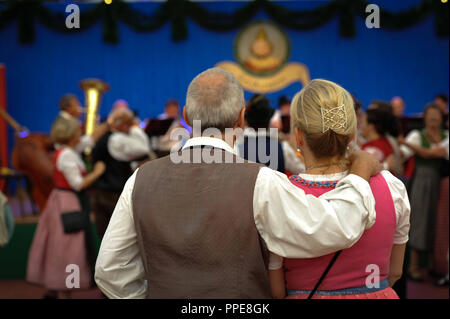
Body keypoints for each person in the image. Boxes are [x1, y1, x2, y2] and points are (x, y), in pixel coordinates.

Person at [94, 68, 382, 299]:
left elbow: (109, 270)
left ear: (184, 117)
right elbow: (334, 228)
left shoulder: (140, 179)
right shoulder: (260, 181)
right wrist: (358, 172)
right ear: (241, 118)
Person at [268, 79, 410, 299]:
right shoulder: (392, 187)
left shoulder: (281, 194)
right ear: (352, 134)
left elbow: (276, 290)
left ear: (298, 136)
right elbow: (395, 271)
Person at [26, 117, 106, 298]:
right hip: (69, 202)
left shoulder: (67, 150)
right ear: (71, 135)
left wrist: (107, 124)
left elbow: (90, 139)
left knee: (63, 247)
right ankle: (63, 289)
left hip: (64, 201)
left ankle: (56, 290)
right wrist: (97, 172)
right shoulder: (67, 154)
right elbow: (78, 184)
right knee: (69, 249)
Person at [399, 103, 448, 281]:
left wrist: (411, 146)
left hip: (440, 184)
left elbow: (433, 154)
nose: (433, 118)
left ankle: (433, 266)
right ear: (425, 118)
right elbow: (402, 153)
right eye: (430, 115)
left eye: (436, 115)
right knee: (419, 220)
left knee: (437, 223)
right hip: (422, 181)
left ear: (441, 118)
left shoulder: (446, 137)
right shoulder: (416, 135)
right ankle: (412, 267)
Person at [91, 109, 150, 239]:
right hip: (113, 196)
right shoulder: (117, 139)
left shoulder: (105, 137)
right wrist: (135, 127)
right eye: (128, 125)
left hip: (102, 193)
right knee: (118, 236)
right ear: (124, 125)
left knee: (106, 235)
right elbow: (144, 149)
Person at [360, 108, 402, 175]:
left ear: (371, 126)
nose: (360, 126)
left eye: (363, 122)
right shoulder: (385, 143)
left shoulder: (373, 147)